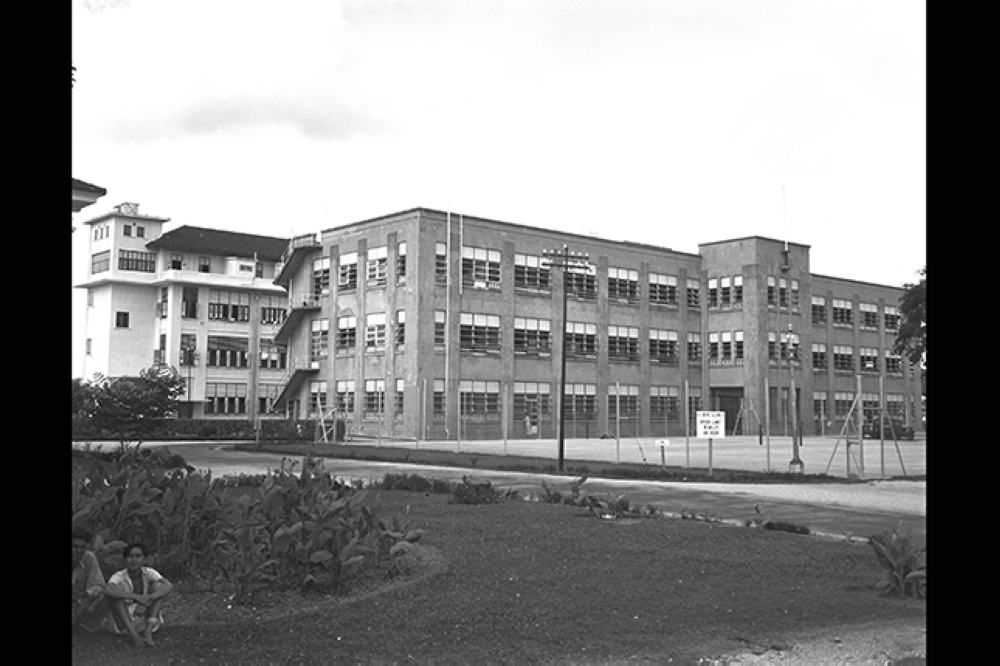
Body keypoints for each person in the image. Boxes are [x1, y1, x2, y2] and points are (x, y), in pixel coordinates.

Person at [103, 542, 174, 647]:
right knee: (115, 594)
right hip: (123, 622)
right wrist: (137, 597)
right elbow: (108, 589)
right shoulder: (119, 575)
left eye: (138, 556)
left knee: (159, 587)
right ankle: (133, 635)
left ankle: (148, 631)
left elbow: (168, 585)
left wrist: (148, 600)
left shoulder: (149, 572)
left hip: (144, 618)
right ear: (125, 560)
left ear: (144, 559)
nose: (134, 560)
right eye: (130, 556)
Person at [72, 529, 110, 631]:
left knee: (105, 595)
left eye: (82, 547)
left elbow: (99, 585)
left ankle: (85, 625)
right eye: (74, 547)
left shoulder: (89, 558)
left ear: (87, 547)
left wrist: (85, 593)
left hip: (78, 602)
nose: (78, 550)